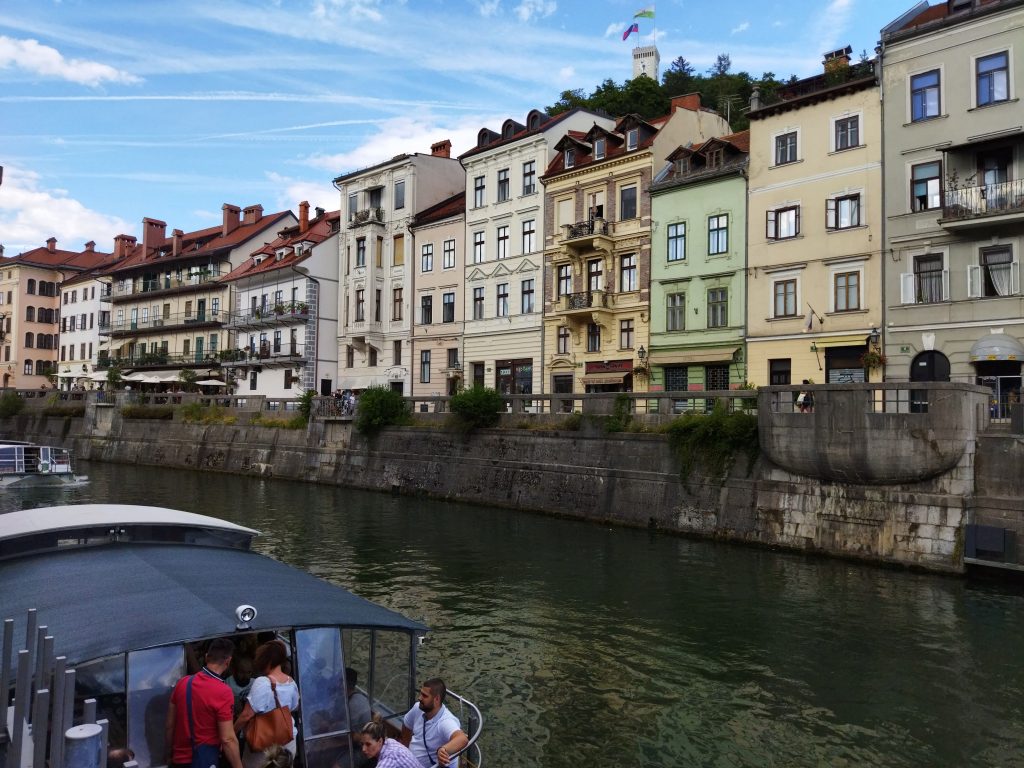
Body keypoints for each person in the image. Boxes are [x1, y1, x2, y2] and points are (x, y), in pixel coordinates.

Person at [165, 637, 243, 768]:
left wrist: (168, 755)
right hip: (205, 760)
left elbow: (169, 725)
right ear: (228, 661)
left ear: (207, 657)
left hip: (179, 760)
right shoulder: (223, 692)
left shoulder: (183, 683)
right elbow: (227, 739)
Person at [235, 639, 300, 768]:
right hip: (287, 742)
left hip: (263, 744)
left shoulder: (262, 682)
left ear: (267, 660)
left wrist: (232, 733)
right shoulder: (291, 682)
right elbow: (293, 707)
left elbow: (247, 715)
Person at [399, 678, 468, 768]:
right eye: (421, 693)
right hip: (409, 761)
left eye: (424, 695)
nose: (419, 698)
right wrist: (405, 749)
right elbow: (406, 725)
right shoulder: (418, 708)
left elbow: (462, 739)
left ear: (436, 699)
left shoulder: (446, 721)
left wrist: (443, 749)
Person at [345, 667, 372, 735]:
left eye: (339, 680)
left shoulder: (353, 704)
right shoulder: (357, 697)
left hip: (358, 740)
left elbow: (347, 729)